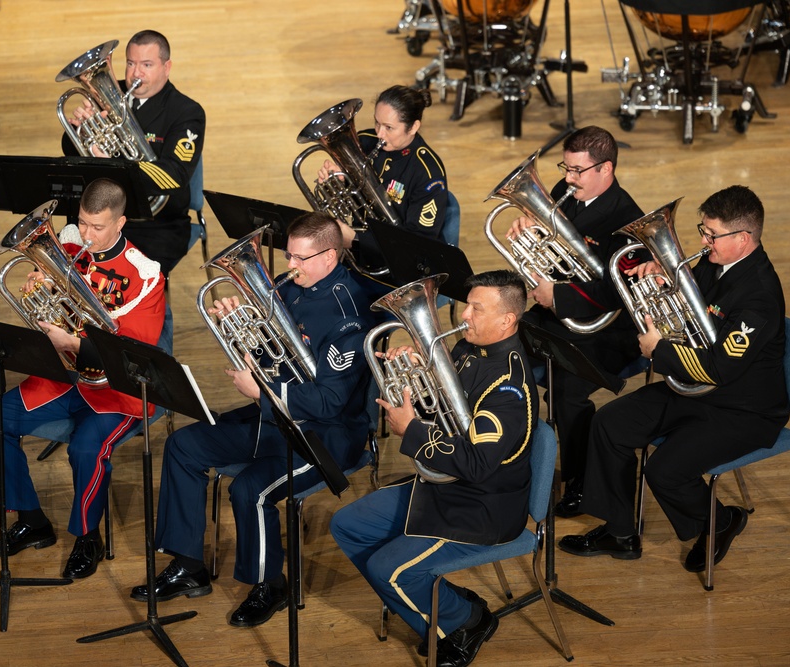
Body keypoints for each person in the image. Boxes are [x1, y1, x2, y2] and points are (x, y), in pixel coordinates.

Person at [133, 211, 372, 627]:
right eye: (289, 255)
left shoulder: (349, 315)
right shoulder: (288, 287)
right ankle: (188, 565)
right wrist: (238, 327)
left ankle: (269, 585)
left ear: (330, 257)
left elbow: (331, 401)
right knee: (183, 445)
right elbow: (269, 354)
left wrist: (264, 391)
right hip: (273, 416)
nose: (289, 265)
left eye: (300, 258)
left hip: (326, 435)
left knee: (251, 489)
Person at [559, 185, 787, 574]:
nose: (703, 240)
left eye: (712, 235)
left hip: (744, 409)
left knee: (664, 470)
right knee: (609, 424)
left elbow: (719, 368)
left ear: (744, 239)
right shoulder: (715, 263)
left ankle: (720, 521)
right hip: (697, 392)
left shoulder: (759, 296)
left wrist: (659, 350)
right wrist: (665, 282)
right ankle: (620, 532)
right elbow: (692, 312)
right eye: (704, 229)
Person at [331, 270, 538, 667]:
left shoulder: (508, 389)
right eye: (466, 303)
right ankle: (447, 605)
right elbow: (440, 414)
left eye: (477, 308)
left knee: (387, 571)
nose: (464, 314)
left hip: (481, 508)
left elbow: (477, 464)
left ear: (507, 320)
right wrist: (413, 379)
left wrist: (410, 430)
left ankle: (466, 622)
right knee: (347, 526)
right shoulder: (465, 348)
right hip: (443, 487)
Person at [0, 178, 165, 579]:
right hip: (63, 379)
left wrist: (74, 343)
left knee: (84, 449)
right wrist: (39, 286)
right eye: (82, 223)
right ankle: (31, 521)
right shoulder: (70, 244)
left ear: (120, 223)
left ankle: (87, 536)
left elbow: (132, 355)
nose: (87, 235)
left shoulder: (146, 275)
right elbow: (56, 297)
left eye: (98, 227)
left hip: (116, 391)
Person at [506, 125, 644, 518]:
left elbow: (617, 294)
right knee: (495, 348)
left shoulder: (627, 222)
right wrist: (528, 228)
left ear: (607, 169)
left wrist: (559, 296)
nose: (567, 179)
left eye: (577, 171)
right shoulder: (568, 193)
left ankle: (581, 480)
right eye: (565, 167)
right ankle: (508, 456)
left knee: (567, 393)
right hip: (557, 318)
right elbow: (550, 247)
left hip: (607, 330)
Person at [62, 29, 205, 278]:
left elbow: (175, 175)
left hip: (156, 224)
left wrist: (116, 165)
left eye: (146, 65)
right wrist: (81, 128)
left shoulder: (186, 112)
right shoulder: (107, 95)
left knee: (115, 277)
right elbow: (69, 150)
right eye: (130, 63)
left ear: (166, 67)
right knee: (64, 267)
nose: (135, 74)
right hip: (99, 217)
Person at [316, 84, 448, 284]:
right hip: (358, 256)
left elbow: (419, 244)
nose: (379, 134)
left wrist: (357, 240)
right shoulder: (364, 142)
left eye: (389, 128)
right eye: (377, 123)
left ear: (413, 127)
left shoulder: (428, 172)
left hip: (398, 272)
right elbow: (350, 199)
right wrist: (336, 182)